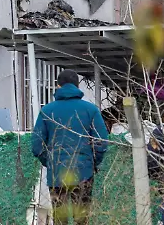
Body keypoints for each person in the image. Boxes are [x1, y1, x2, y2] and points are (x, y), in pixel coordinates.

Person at [31, 69, 109, 225]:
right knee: (82, 219)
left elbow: (36, 146)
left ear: (58, 86)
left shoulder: (47, 111)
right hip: (84, 172)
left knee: (60, 219)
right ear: (77, 85)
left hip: (57, 174)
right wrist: (92, 162)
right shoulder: (91, 109)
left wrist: (51, 162)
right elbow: (102, 142)